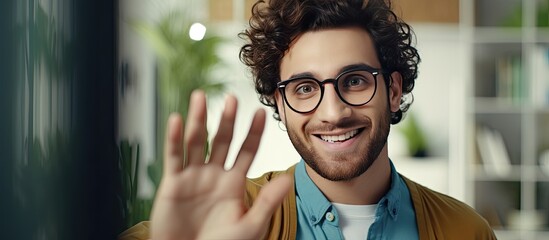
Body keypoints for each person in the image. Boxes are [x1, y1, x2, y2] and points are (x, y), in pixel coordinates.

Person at [120, 0, 497, 239]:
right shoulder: (230, 218)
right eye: (304, 88)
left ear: (393, 90)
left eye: (354, 81)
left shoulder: (466, 231)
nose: (333, 113)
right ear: (279, 103)